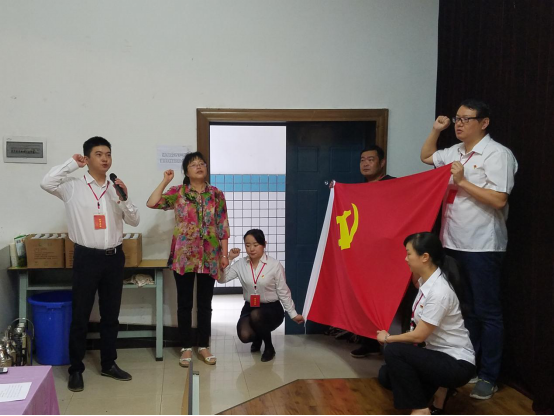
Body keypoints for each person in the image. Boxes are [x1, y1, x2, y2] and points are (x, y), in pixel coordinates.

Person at [420, 99, 518, 400]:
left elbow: (499, 199)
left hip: (482, 245)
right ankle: (469, 366)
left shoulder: (497, 154)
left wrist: (461, 181)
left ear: (484, 123)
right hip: (452, 242)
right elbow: (426, 157)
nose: (459, 124)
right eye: (456, 119)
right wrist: (436, 130)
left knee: (488, 312)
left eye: (466, 119)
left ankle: (489, 375)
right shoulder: (454, 151)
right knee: (465, 310)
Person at [40, 137, 140, 393]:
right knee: (80, 315)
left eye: (108, 154)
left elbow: (134, 221)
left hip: (114, 257)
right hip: (86, 258)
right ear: (87, 158)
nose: (105, 158)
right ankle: (76, 369)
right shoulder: (72, 186)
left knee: (110, 315)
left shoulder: (115, 189)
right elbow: (46, 182)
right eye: (99, 154)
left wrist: (125, 198)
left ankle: (108, 363)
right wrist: (71, 164)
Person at [377, 232, 476, 416]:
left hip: (456, 363)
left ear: (425, 257)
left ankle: (421, 409)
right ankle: (440, 390)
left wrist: (388, 338)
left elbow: (419, 336)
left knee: (394, 350)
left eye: (409, 254)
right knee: (386, 376)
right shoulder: (426, 283)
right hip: (436, 354)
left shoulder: (439, 292)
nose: (405, 259)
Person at [147, 152, 230, 368]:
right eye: (194, 164)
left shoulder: (216, 194)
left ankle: (203, 345)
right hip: (184, 256)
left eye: (202, 163)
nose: (199, 167)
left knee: (205, 304)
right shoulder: (178, 192)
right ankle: (185, 347)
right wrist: (165, 181)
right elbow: (152, 203)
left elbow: (222, 226)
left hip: (209, 256)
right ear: (186, 171)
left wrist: (223, 255)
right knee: (184, 303)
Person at [332, 145, 412, 359]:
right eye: (362, 160)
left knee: (389, 299)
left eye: (371, 159)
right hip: (365, 254)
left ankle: (393, 345)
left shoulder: (394, 185)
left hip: (389, 254)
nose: (366, 164)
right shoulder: (358, 190)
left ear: (382, 162)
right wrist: (337, 191)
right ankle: (368, 341)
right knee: (364, 297)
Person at [219, 229, 305, 362]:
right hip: (250, 307)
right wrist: (229, 259)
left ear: (264, 244)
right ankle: (258, 337)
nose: (251, 249)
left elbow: (283, 291)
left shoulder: (274, 265)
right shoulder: (241, 264)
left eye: (256, 245)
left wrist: (293, 314)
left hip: (271, 308)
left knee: (256, 315)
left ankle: (269, 347)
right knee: (244, 335)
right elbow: (222, 279)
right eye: (248, 245)